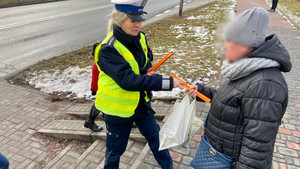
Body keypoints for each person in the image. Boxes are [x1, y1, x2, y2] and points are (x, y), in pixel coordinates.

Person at [188, 7, 291, 169]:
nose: (224, 47)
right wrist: (203, 92)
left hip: (227, 162)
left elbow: (256, 152)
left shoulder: (265, 85)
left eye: (230, 41)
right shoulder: (244, 69)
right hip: (216, 156)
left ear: (246, 44)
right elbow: (234, 103)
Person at [94, 0, 183, 168]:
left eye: (140, 19)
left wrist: (148, 69)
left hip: (140, 104)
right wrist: (167, 82)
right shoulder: (108, 49)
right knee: (115, 151)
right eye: (133, 21)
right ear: (120, 21)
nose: (138, 24)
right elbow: (128, 81)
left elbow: (145, 60)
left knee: (157, 140)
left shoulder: (140, 37)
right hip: (117, 111)